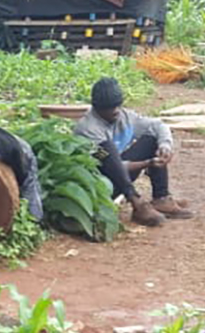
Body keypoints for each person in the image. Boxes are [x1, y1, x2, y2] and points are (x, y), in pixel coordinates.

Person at [74, 77, 194, 228]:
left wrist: (165, 146)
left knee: (152, 138)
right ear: (97, 108)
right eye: (109, 108)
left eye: (117, 106)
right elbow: (109, 165)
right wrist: (147, 163)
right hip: (100, 183)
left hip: (119, 172)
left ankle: (161, 198)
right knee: (108, 148)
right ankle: (136, 202)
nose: (115, 111)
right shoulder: (87, 129)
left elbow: (157, 125)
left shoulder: (123, 116)